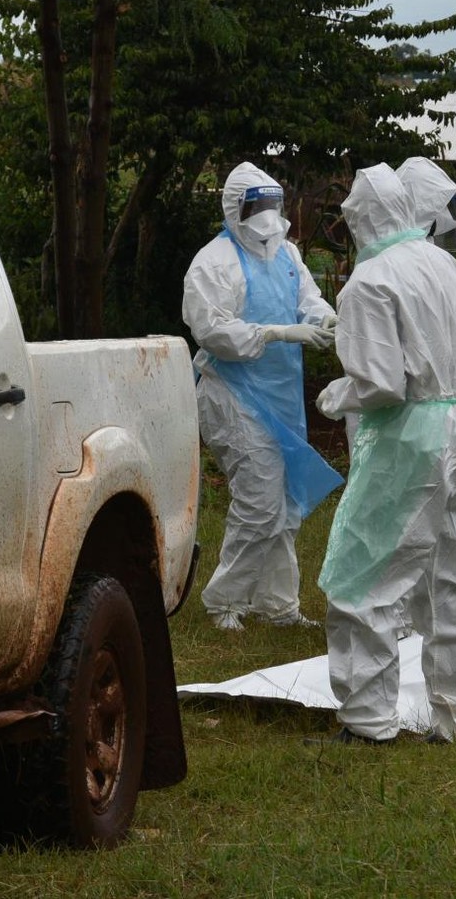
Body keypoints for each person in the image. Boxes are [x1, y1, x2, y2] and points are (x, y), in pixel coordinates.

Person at [312, 161, 456, 744]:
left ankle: (368, 720)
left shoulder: (369, 283)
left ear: (360, 219)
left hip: (410, 439)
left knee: (364, 575)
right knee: (452, 575)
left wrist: (335, 394)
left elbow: (380, 385)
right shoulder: (450, 267)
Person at [182, 161, 343, 631]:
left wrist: (323, 319)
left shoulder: (288, 256)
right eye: (257, 206)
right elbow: (212, 330)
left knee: (285, 501)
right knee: (259, 498)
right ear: (236, 209)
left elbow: (307, 301)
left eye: (272, 204)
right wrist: (275, 333)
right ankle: (225, 602)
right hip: (229, 392)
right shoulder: (213, 263)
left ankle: (278, 605)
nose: (267, 215)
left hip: (279, 394)